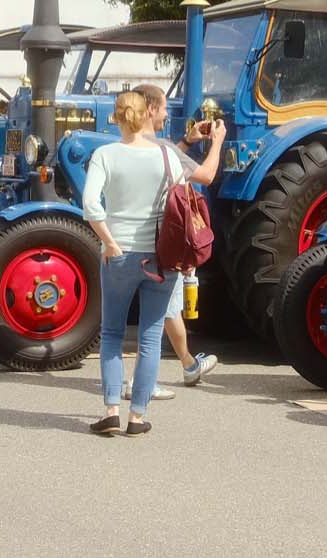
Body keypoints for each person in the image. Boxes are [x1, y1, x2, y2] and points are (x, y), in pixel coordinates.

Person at [83, 89, 225, 436]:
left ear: (117, 118)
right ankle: (138, 418)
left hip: (118, 256)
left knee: (113, 334)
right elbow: (183, 204)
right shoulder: (167, 156)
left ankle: (111, 410)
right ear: (145, 114)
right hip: (161, 257)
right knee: (149, 338)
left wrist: (109, 241)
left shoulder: (105, 154)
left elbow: (90, 205)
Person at [134, 84, 218, 399]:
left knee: (161, 310)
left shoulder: (130, 145)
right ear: (151, 108)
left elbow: (168, 161)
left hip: (132, 242)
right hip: (162, 241)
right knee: (158, 313)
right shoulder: (164, 149)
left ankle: (187, 364)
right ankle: (144, 383)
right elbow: (207, 176)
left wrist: (187, 141)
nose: (168, 112)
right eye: (165, 107)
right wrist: (218, 142)